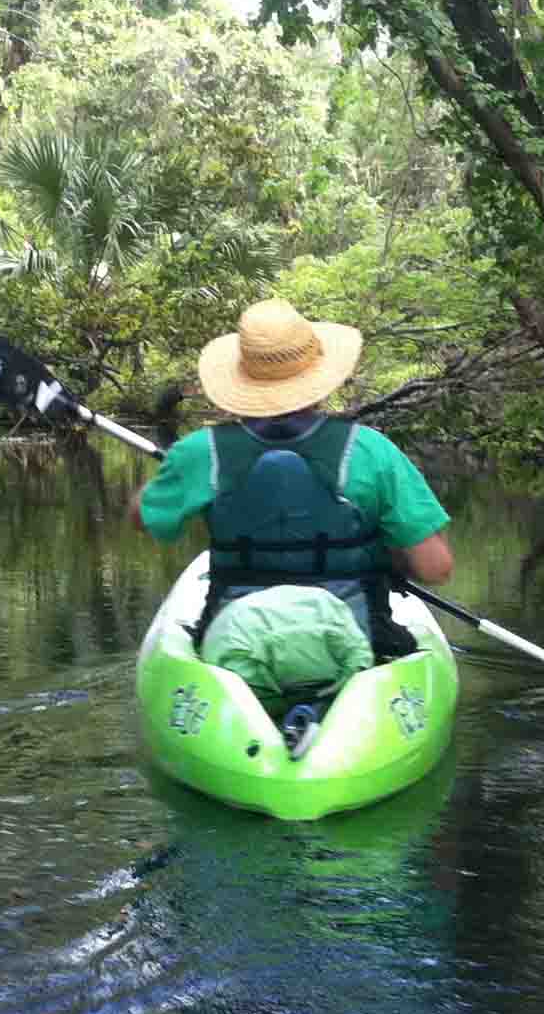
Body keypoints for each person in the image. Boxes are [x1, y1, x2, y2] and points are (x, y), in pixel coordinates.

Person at [136, 300, 453, 737]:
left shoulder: (199, 453)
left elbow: (143, 518)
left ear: (241, 382)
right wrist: (386, 553)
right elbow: (435, 569)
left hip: (235, 649)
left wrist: (172, 474)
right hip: (355, 646)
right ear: (319, 380)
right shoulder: (370, 451)